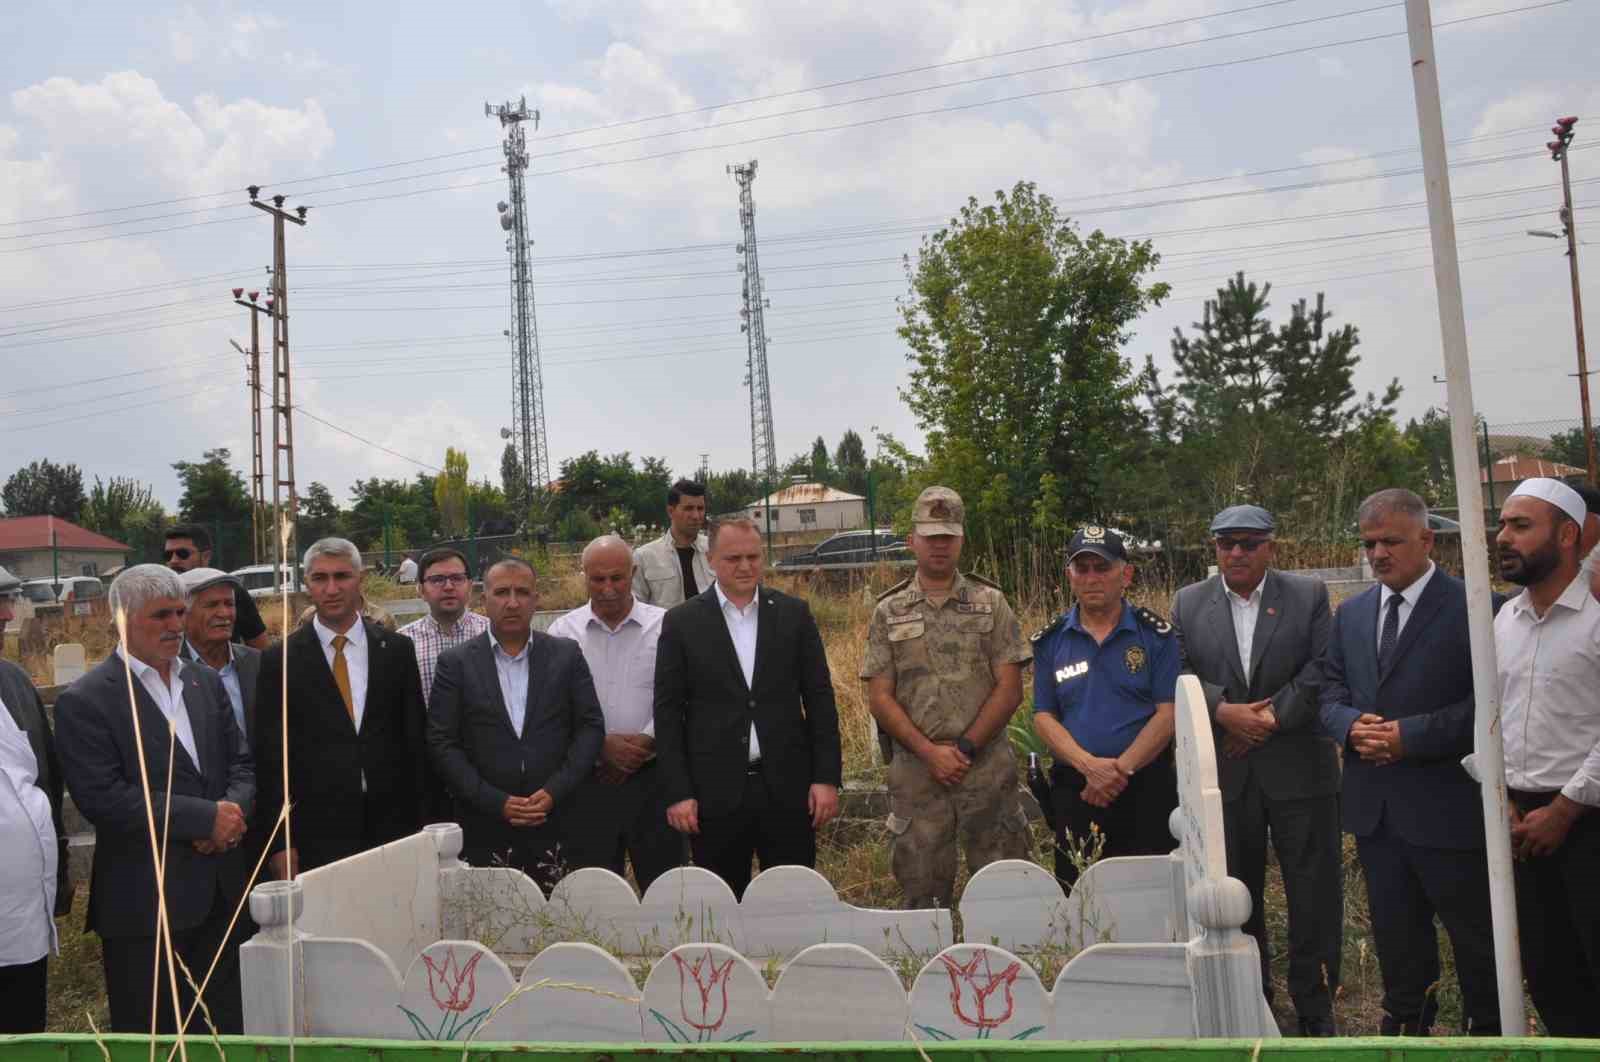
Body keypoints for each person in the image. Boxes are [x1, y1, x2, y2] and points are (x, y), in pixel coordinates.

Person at [1319, 488, 1499, 1036]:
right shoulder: (1350, 615)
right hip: (1377, 815)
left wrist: (1411, 736)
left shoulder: (1476, 608)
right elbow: (1327, 691)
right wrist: (1348, 725)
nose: (1377, 553)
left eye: (1390, 541)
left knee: (1476, 943)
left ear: (1427, 540)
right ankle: (1406, 1036)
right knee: (1398, 942)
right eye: (1369, 542)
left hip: (1450, 811)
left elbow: (1491, 704)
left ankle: (1487, 1035)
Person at [54, 565, 254, 1034]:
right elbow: (102, 797)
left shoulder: (202, 683)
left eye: (180, 612)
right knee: (156, 1035)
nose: (176, 625)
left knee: (228, 1031)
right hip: (146, 906)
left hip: (222, 894)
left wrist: (228, 816)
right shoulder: (87, 701)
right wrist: (204, 819)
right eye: (161, 614)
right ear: (122, 620)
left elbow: (241, 763)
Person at [1171, 505, 1341, 1037]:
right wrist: (1224, 712)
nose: (1236, 553)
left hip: (1299, 769)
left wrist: (1267, 718)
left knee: (1313, 894)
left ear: (1271, 545)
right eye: (1226, 544)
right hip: (1228, 772)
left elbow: (1322, 669)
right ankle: (1252, 999)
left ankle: (1314, 1007)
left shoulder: (1308, 596)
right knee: (1236, 894)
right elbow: (1179, 670)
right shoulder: (1189, 602)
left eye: (1248, 543)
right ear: (1215, 549)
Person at [861, 487, 1032, 908]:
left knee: (1003, 893)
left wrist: (964, 748)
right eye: (930, 535)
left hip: (986, 768)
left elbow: (1010, 688)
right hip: (918, 772)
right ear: (911, 540)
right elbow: (880, 697)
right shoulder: (889, 610)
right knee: (922, 898)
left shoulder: (991, 603)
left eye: (948, 536)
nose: (939, 545)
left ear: (961, 540)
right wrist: (930, 753)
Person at [654, 517, 841, 898]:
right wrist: (678, 791)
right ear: (711, 560)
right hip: (714, 795)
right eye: (733, 558)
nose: (744, 567)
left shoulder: (794, 615)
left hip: (787, 791)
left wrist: (825, 778)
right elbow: (668, 713)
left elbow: (820, 700)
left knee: (794, 900)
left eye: (753, 557)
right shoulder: (682, 622)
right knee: (722, 904)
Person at [1489, 478, 1600, 1037]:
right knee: (1551, 977)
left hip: (1587, 821)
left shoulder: (1597, 616)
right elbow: (1492, 722)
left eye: (1520, 525)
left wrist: (1566, 807)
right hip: (1521, 825)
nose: (1502, 536)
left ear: (1567, 535)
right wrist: (1501, 797)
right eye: (1503, 524)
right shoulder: (1504, 621)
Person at [254, 538, 430, 878]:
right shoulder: (281, 661)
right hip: (318, 831)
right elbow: (271, 758)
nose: (331, 588)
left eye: (342, 576)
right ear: (306, 584)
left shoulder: (396, 651)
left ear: (360, 579)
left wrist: (426, 824)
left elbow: (415, 742)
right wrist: (280, 842)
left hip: (395, 827)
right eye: (320, 578)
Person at [428, 558, 605, 886]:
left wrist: (554, 791)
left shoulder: (565, 655)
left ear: (536, 599)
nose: (512, 602)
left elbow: (590, 727)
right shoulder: (456, 664)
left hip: (559, 819)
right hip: (487, 825)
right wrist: (497, 802)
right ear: (483, 600)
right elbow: (442, 742)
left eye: (522, 592)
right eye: (502, 592)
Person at [1031, 526, 1178, 891]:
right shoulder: (1051, 640)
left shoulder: (1155, 636)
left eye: (1102, 567)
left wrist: (1119, 770)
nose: (1092, 578)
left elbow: (1169, 713)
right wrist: (1089, 767)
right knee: (1081, 899)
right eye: (1082, 568)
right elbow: (1043, 716)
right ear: (1070, 575)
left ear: (1125, 574)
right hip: (1077, 789)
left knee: (1152, 896)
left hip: (1145, 787)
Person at [547, 536, 683, 891]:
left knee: (666, 888)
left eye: (617, 578)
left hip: (654, 781)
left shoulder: (667, 626)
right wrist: (599, 746)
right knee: (596, 892)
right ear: (584, 577)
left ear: (633, 573)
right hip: (590, 783)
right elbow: (555, 706)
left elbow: (681, 694)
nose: (608, 588)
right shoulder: (563, 633)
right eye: (597, 579)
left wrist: (646, 741)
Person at [0, 564, 69, 1034]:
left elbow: (45, 780)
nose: (7, 613)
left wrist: (59, 875)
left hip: (23, 916)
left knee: (24, 1032)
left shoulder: (14, 681)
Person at [178, 568, 261, 751]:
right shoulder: (169, 670)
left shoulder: (258, 664)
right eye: (212, 605)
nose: (224, 613)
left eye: (229, 604)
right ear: (184, 614)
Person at [397, 548, 489, 707]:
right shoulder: (403, 643)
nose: (448, 587)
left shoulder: (493, 634)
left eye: (457, 578)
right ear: (421, 590)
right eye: (437, 579)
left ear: (470, 586)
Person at [164, 525, 270, 651]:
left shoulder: (232, 592)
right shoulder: (160, 597)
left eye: (182, 554)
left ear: (206, 556)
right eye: (168, 555)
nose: (174, 560)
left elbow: (261, 648)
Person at [633, 479, 714, 608]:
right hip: (664, 628)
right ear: (671, 511)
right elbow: (636, 607)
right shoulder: (645, 557)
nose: (696, 515)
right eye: (689, 508)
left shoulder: (715, 550)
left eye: (700, 508)